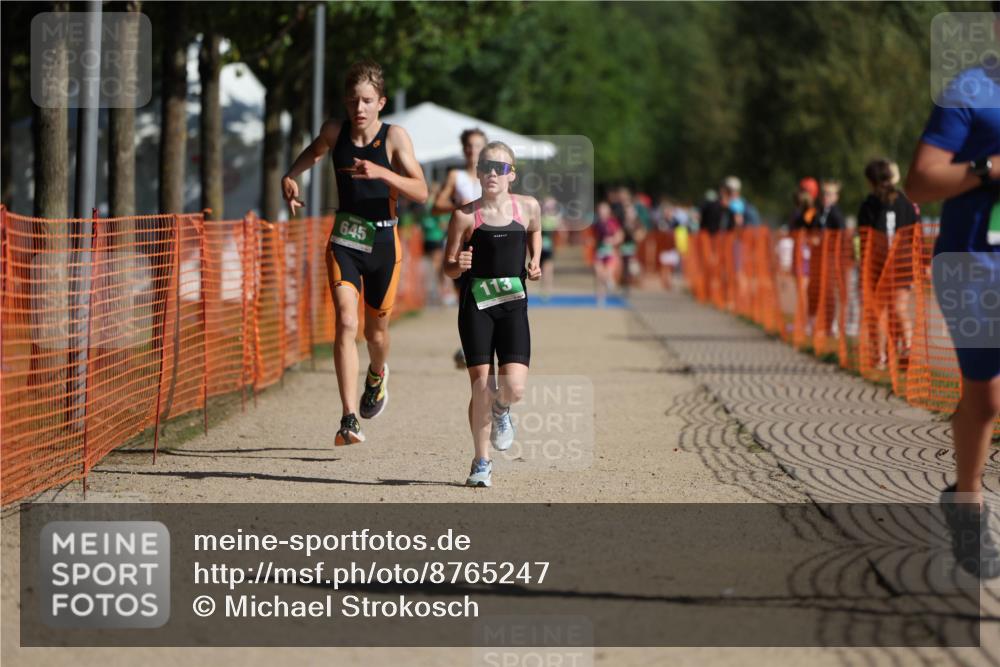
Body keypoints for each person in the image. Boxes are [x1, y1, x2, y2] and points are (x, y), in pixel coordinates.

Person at [281, 60, 427, 446]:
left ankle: (377, 374)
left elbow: (421, 190)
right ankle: (348, 418)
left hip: (383, 243)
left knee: (375, 333)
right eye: (352, 102)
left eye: (366, 101)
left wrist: (384, 174)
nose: (358, 109)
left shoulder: (394, 138)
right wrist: (290, 176)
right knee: (346, 322)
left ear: (380, 102)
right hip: (345, 238)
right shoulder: (335, 131)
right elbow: (313, 153)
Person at [904, 11, 1000, 577]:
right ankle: (967, 499)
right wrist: (990, 169)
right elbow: (921, 181)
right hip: (974, 266)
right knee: (986, 399)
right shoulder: (969, 91)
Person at [443, 141, 542, 487]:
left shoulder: (528, 207)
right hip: (477, 306)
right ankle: (481, 461)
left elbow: (535, 232)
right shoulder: (464, 215)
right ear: (478, 172)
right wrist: (458, 264)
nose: (491, 174)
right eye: (486, 167)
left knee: (514, 388)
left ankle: (503, 410)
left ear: (511, 174)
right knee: (480, 385)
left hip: (513, 307)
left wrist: (535, 260)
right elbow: (448, 267)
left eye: (500, 168)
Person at [434, 128, 488, 368]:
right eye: (468, 146)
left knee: (489, 296)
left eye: (477, 146)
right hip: (462, 245)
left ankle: (483, 345)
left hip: (490, 243)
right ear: (463, 149)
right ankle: (471, 346)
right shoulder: (457, 176)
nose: (472, 150)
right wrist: (461, 205)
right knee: (466, 299)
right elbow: (437, 205)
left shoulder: (492, 175)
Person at [858, 160, 918, 370]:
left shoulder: (869, 205)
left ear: (871, 181)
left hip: (879, 266)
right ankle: (907, 348)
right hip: (903, 264)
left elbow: (865, 239)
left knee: (880, 311)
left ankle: (882, 356)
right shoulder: (905, 202)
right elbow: (916, 233)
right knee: (898, 308)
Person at [539, 195, 562, 298]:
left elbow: (560, 230)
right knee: (541, 271)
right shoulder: (539, 218)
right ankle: (543, 289)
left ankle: (547, 290)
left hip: (550, 248)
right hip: (539, 249)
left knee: (548, 269)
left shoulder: (555, 218)